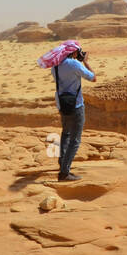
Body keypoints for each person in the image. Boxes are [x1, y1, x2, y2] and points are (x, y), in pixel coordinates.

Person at [51, 44, 96, 181]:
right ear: (73, 52)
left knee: (66, 133)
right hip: (76, 104)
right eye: (78, 51)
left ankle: (62, 164)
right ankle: (64, 173)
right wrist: (86, 62)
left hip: (62, 103)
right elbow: (93, 78)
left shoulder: (55, 65)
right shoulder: (74, 64)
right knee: (75, 139)